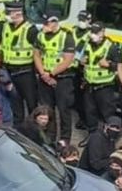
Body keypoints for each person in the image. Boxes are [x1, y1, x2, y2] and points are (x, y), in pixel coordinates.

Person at [34, 14, 76, 145]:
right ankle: (48, 137)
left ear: (54, 23)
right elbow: (36, 55)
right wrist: (43, 74)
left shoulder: (66, 36)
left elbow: (68, 59)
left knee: (64, 110)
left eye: (47, 24)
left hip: (62, 78)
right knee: (47, 109)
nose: (44, 26)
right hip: (45, 77)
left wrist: (51, 74)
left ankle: (65, 139)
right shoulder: (40, 35)